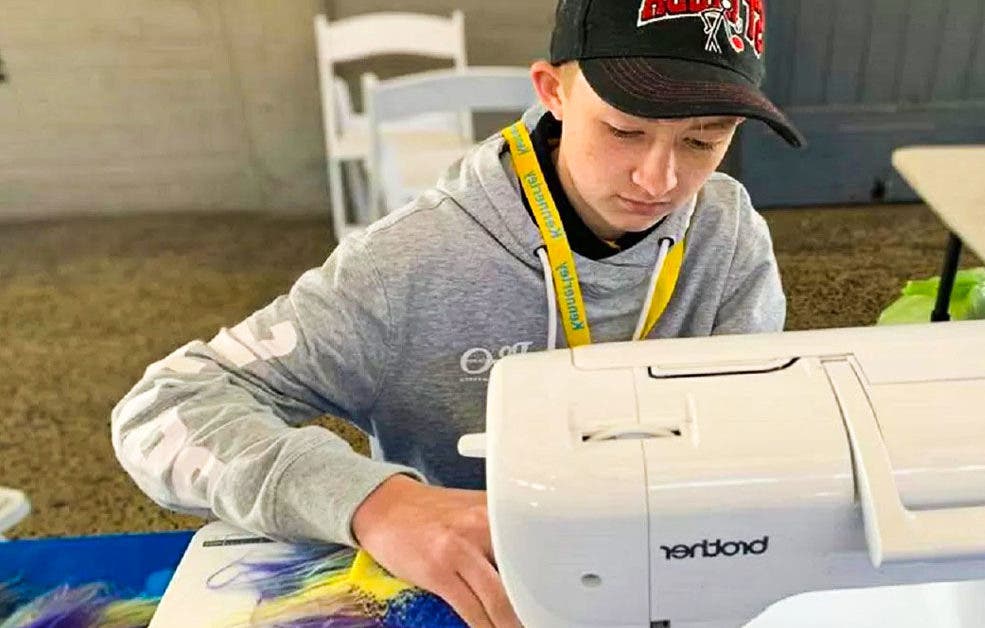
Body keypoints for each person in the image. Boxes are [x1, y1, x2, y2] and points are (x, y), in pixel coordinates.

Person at [112, 0, 802, 625]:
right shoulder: (407, 263)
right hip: (469, 596)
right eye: (624, 131)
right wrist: (376, 504)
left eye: (704, 140)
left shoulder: (727, 231)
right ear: (552, 91)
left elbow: (753, 421)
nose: (661, 181)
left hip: (662, 575)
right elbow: (162, 409)